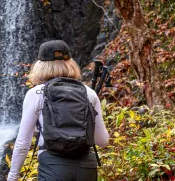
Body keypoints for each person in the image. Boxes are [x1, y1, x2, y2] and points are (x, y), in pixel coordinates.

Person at [7, 40, 109, 181]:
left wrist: (13, 176)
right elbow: (103, 141)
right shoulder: (89, 93)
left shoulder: (36, 93)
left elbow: (23, 142)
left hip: (53, 167)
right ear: (70, 63)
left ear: (40, 65)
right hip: (87, 167)